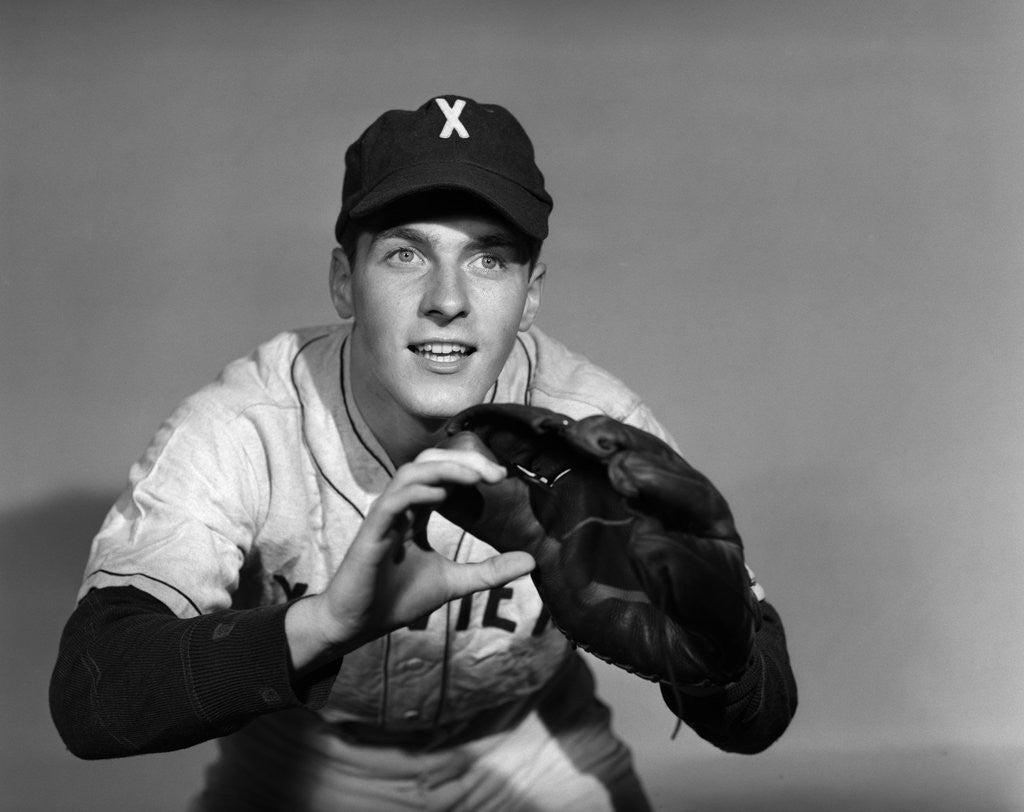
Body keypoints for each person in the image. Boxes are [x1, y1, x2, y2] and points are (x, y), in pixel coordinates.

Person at [50, 95, 797, 811]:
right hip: (311, 754)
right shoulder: (246, 423)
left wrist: (717, 669)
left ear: (531, 293)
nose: (448, 298)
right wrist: (327, 623)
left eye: (489, 260)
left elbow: (758, 718)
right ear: (345, 281)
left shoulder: (593, 428)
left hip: (529, 741)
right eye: (407, 254)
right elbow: (93, 695)